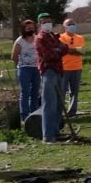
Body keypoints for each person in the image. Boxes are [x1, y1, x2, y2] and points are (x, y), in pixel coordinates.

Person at [35, 14, 69, 144]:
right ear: (40, 24)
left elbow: (65, 48)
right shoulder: (40, 38)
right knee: (49, 103)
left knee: (58, 103)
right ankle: (48, 136)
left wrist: (57, 49)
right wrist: (58, 50)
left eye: (49, 21)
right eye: (44, 22)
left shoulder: (53, 36)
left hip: (59, 70)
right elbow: (47, 55)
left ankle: (55, 132)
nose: (47, 24)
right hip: (48, 71)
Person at [11, 19, 40, 121]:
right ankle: (24, 116)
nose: (30, 30)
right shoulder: (20, 41)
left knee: (35, 91)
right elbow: (14, 56)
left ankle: (34, 113)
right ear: (23, 29)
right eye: (28, 28)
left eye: (32, 28)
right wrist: (22, 64)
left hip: (36, 69)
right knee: (25, 92)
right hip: (24, 69)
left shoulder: (37, 39)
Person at [60, 17, 86, 117]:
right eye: (69, 24)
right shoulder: (61, 37)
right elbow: (63, 50)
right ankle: (60, 111)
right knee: (62, 91)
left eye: (73, 24)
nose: (72, 26)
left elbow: (82, 51)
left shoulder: (80, 38)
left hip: (77, 67)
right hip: (64, 68)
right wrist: (74, 50)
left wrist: (69, 50)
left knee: (75, 91)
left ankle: (72, 111)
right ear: (65, 27)